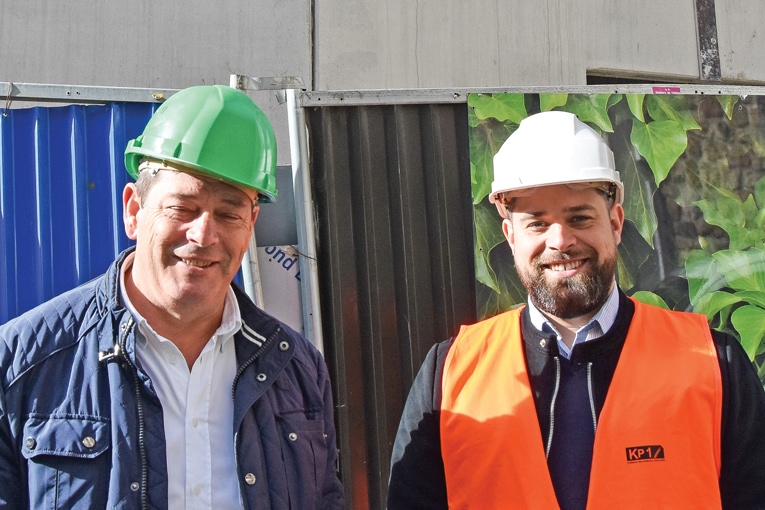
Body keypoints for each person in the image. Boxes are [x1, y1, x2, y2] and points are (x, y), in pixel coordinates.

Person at [387, 111, 765, 509]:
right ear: (510, 235)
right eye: (537, 223)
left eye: (579, 218)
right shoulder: (449, 373)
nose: (560, 240)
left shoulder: (714, 363)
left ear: (616, 222)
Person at [0, 85, 344, 509]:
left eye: (228, 213)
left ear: (251, 223)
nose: (203, 235)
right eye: (182, 208)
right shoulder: (22, 365)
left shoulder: (297, 370)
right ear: (133, 210)